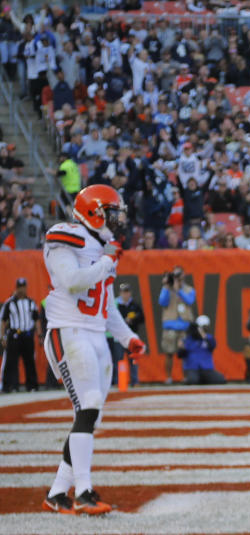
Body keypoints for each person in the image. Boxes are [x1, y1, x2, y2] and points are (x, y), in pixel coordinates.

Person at [40, 185, 146, 515]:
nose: (119, 219)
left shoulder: (102, 247)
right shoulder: (65, 236)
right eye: (113, 212)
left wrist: (128, 337)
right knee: (89, 405)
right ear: (94, 212)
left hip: (96, 334)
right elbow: (72, 281)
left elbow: (106, 306)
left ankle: (58, 492)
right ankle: (84, 491)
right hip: (68, 331)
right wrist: (105, 262)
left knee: (89, 416)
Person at [1, 278, 39, 393]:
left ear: (26, 288)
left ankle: (32, 386)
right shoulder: (9, 303)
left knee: (30, 361)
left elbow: (36, 319)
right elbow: (3, 321)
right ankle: (10, 386)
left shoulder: (31, 303)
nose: (21, 290)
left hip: (27, 335)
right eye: (19, 287)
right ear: (16, 288)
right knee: (11, 362)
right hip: (14, 336)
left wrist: (40, 334)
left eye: (23, 287)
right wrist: (2, 337)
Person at [158, 266, 195, 384]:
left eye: (180, 274)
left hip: (185, 326)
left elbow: (190, 301)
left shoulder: (189, 289)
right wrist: (166, 286)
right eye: (175, 275)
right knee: (169, 353)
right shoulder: (167, 289)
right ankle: (169, 377)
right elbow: (162, 302)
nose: (178, 277)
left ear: (184, 275)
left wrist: (178, 289)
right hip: (170, 326)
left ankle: (186, 377)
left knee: (185, 353)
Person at [178, 315, 226, 385]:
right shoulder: (187, 339)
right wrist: (181, 348)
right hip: (192, 368)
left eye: (205, 327)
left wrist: (203, 336)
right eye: (203, 327)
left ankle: (203, 380)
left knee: (221, 379)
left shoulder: (209, 338)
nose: (204, 329)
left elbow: (212, 345)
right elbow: (180, 355)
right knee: (192, 381)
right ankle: (193, 379)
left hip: (206, 368)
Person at [115, 283, 144, 387]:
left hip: (132, 335)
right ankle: (117, 381)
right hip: (119, 337)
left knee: (134, 359)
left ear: (130, 293)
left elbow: (142, 318)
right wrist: (124, 320)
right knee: (118, 359)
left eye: (127, 292)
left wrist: (133, 319)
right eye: (123, 292)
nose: (125, 294)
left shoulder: (135, 305)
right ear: (120, 293)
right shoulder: (116, 304)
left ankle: (135, 381)